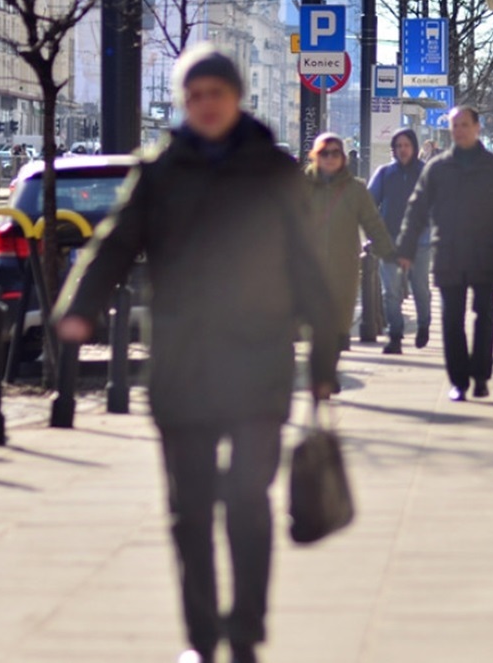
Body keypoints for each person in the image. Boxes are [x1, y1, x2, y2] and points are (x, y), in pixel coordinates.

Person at [54, 45, 340, 663]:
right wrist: (79, 305)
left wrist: (322, 366)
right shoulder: (159, 171)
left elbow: (309, 271)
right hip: (182, 364)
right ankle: (201, 637)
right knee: (187, 511)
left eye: (216, 93)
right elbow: (115, 243)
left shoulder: (273, 171)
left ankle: (245, 630)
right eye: (195, 96)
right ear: (186, 103)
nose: (206, 105)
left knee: (245, 500)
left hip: (258, 361)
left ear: (237, 98)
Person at [396, 106, 493, 402]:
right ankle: (459, 380)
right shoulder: (438, 168)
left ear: (476, 128)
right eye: (454, 125)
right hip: (448, 253)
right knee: (451, 318)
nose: (458, 130)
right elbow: (416, 210)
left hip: (484, 252)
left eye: (464, 125)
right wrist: (406, 249)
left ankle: (481, 376)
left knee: (485, 314)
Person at [307, 132, 396, 352]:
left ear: (343, 157)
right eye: (324, 153)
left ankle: (329, 370)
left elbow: (372, 222)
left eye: (335, 153)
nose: (330, 157)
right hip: (310, 266)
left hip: (344, 266)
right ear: (314, 156)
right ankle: (323, 377)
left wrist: (388, 254)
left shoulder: (355, 189)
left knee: (339, 326)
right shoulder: (301, 187)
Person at [368, 127, 432, 355]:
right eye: (398, 146)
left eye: (407, 145)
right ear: (393, 149)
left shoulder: (426, 172)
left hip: (420, 243)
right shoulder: (385, 173)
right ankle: (395, 334)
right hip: (389, 241)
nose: (403, 150)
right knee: (391, 291)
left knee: (420, 288)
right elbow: (368, 204)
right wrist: (372, 234)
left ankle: (424, 324)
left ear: (414, 147)